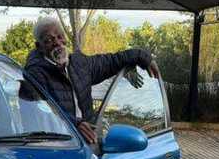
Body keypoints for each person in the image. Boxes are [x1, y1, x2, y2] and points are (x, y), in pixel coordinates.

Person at [22, 16, 161, 144]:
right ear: (39, 46)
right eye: (49, 40)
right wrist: (75, 124)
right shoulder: (34, 73)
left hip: (87, 143)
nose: (57, 43)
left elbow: (112, 61)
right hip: (56, 147)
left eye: (60, 37)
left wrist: (142, 57)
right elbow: (40, 110)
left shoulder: (78, 63)